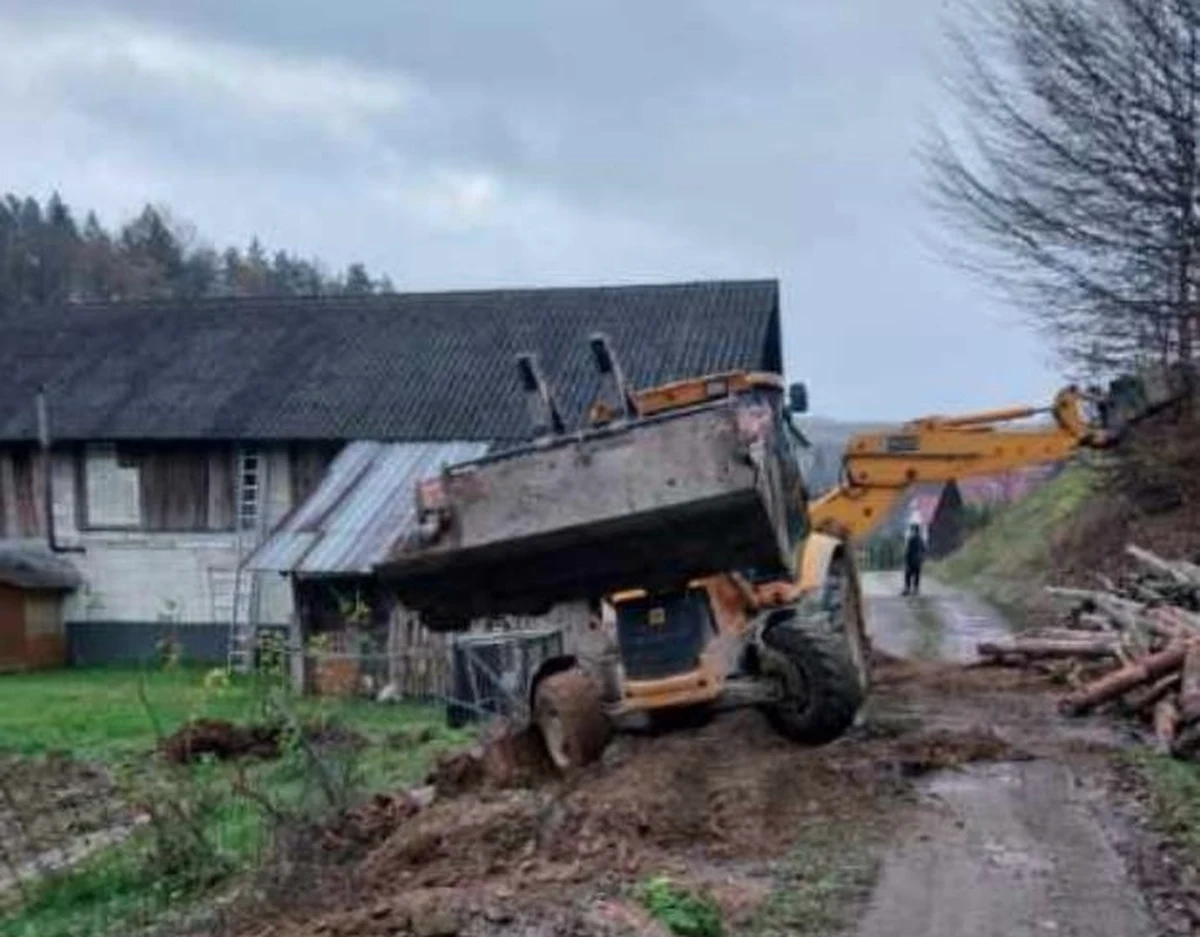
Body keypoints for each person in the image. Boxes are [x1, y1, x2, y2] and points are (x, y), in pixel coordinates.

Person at [902, 522, 925, 596]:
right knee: (916, 575)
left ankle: (907, 589)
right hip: (918, 560)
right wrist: (922, 558)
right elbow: (923, 550)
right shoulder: (921, 540)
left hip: (911, 560)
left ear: (913, 530)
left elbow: (908, 551)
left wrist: (906, 561)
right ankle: (915, 589)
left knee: (908, 575)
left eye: (912, 530)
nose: (911, 531)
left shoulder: (911, 539)